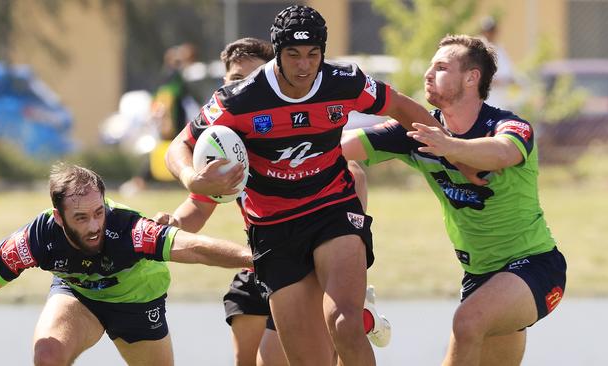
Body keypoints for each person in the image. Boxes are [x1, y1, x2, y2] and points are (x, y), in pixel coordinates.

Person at [165, 5, 445, 365]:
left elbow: (403, 108)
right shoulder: (238, 100)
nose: (304, 65)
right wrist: (193, 178)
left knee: (345, 325)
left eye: (313, 55)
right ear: (278, 53)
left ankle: (358, 307)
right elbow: (180, 145)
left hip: (332, 209)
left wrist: (453, 151)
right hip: (274, 230)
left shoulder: (345, 81)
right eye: (293, 55)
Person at [341, 34, 567, 366]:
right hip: (478, 277)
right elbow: (340, 147)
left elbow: (502, 152)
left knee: (467, 322)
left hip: (535, 266)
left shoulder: (507, 125)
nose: (428, 74)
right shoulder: (417, 133)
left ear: (472, 77)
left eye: (442, 67)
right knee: (470, 327)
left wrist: (450, 146)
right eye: (430, 67)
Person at [0, 163, 252, 365]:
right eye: (81, 218)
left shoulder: (129, 228)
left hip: (138, 301)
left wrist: (255, 260)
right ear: (59, 217)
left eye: (98, 212)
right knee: (48, 357)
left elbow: (196, 249)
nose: (94, 226)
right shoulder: (37, 238)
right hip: (80, 296)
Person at [120, 43, 201, 195]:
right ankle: (138, 182)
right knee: (170, 153)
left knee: (169, 153)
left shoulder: (175, 77)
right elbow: (165, 100)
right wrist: (165, 122)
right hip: (172, 124)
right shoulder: (173, 77)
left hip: (173, 123)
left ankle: (139, 182)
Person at [478, 16, 516, 109]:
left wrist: (507, 80)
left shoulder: (500, 50)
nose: (490, 34)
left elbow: (510, 74)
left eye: (492, 31)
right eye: (488, 31)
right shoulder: (478, 50)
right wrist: (493, 81)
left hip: (502, 100)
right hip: (485, 100)